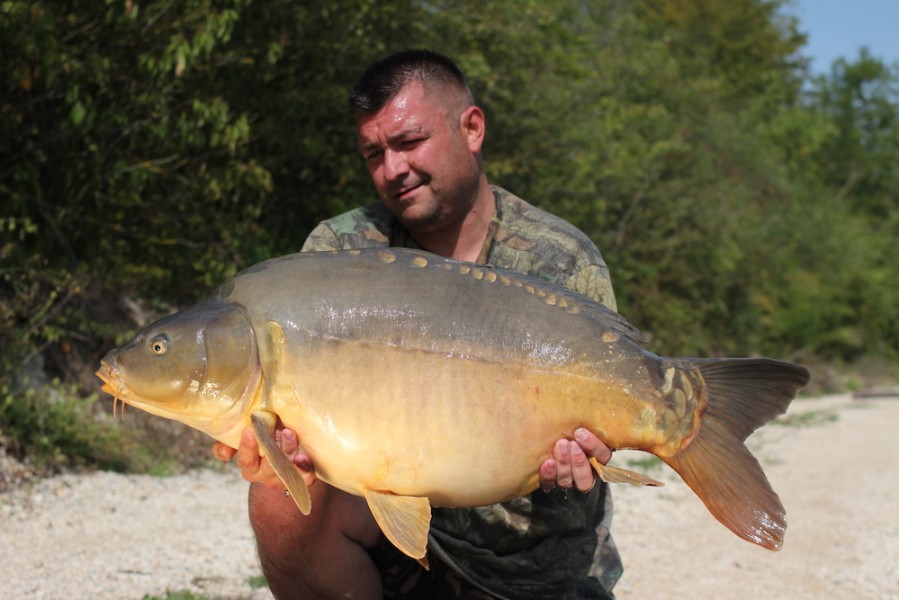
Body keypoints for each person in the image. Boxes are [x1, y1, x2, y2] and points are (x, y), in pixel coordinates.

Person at [213, 50, 622, 599]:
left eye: (409, 143)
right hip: (396, 550)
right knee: (279, 498)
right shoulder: (341, 250)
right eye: (373, 153)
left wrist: (598, 444)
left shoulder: (561, 256)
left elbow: (610, 405)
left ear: (471, 128)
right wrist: (279, 457)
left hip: (537, 565)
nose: (392, 169)